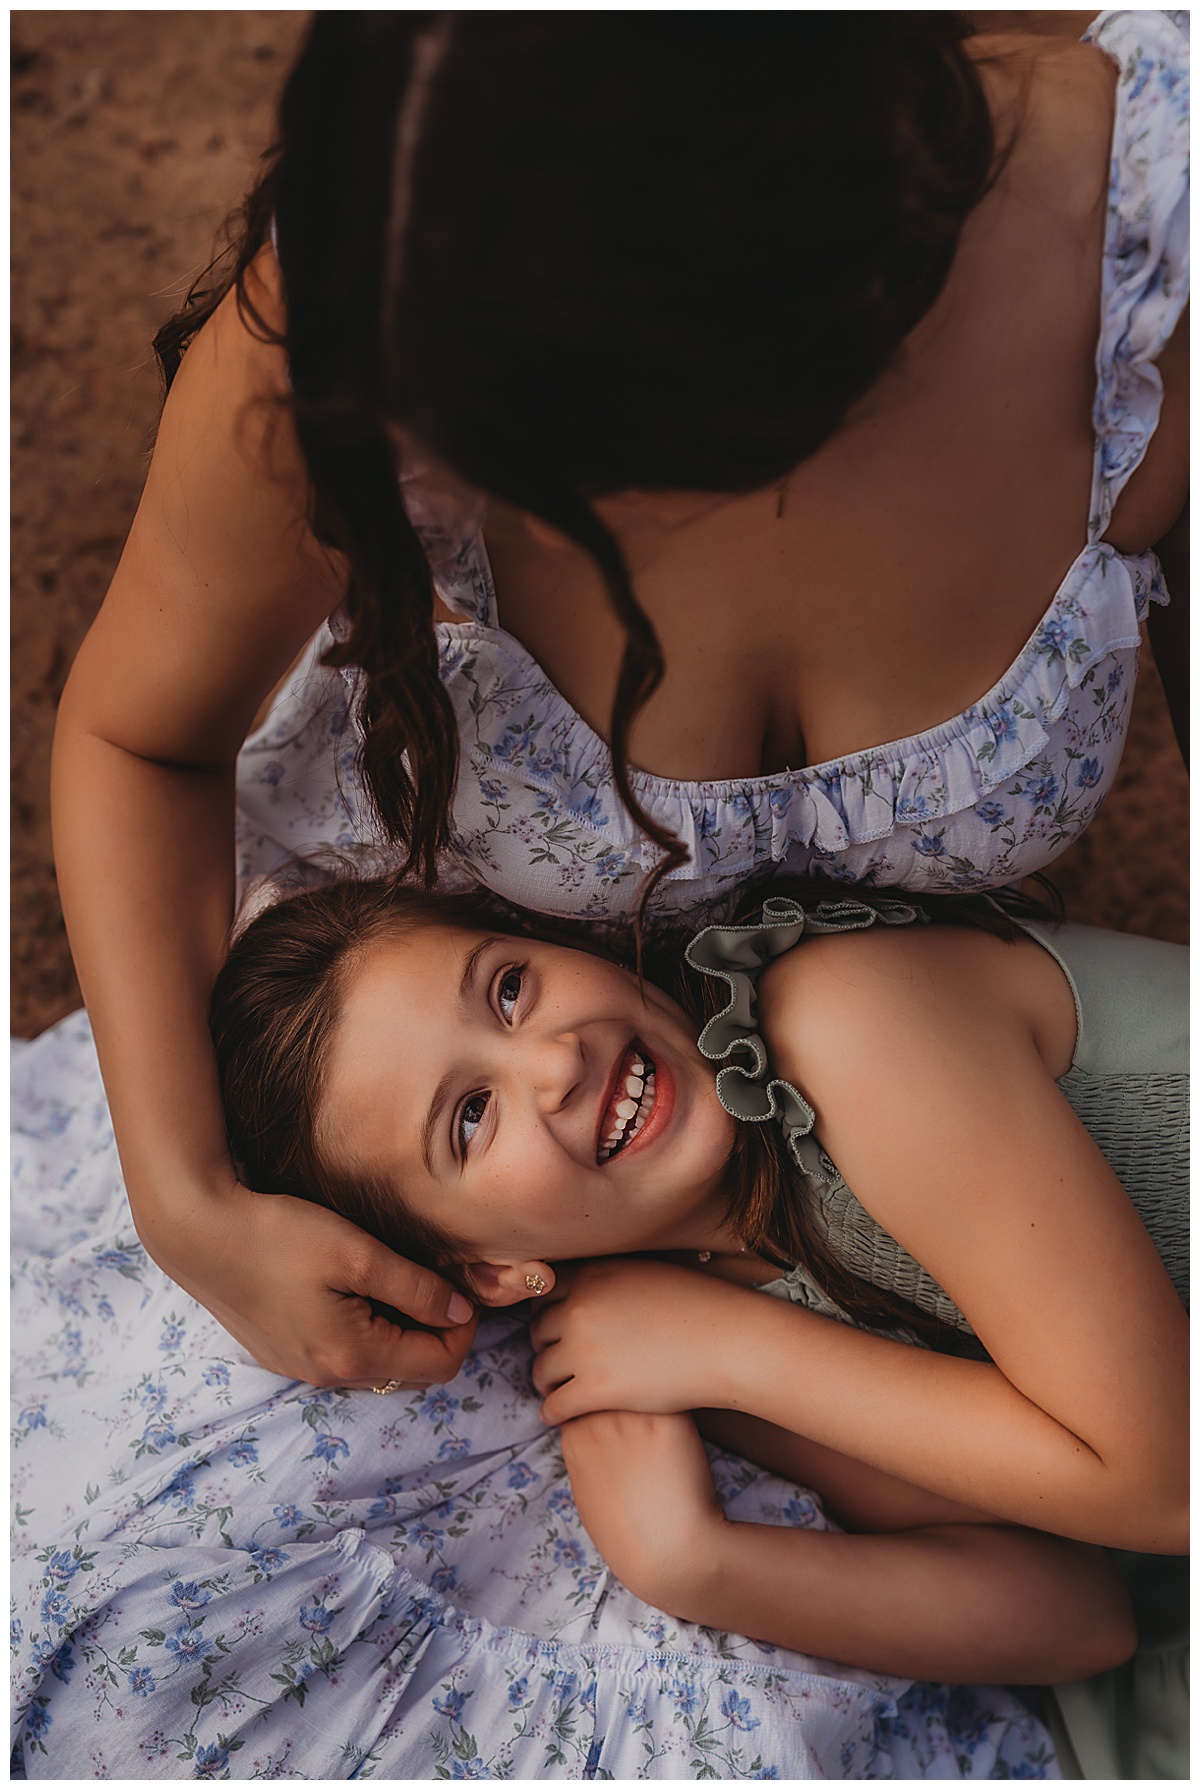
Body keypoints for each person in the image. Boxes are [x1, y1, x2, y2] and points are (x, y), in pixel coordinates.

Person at [50, 12, 1188, 1386]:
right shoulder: (378, 286)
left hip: (921, 1141)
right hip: (406, 1142)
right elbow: (142, 739)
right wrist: (192, 1203)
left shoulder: (1150, 249)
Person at [207, 869, 1186, 1692]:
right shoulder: (675, 1321)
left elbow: (1171, 1488)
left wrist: (740, 1352)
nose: (553, 1058)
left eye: (508, 989)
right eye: (469, 1116)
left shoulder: (847, 1024)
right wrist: (696, 1561)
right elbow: (1080, 1613)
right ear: (491, 1268)